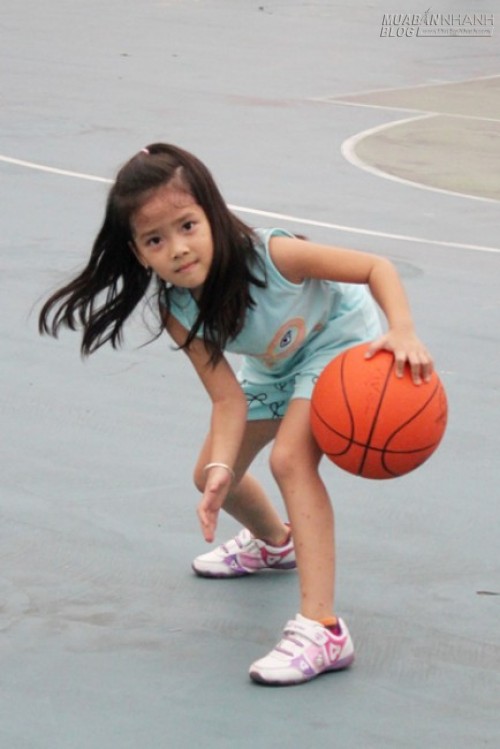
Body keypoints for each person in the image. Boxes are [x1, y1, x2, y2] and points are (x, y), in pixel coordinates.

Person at [38, 143, 433, 686]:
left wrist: (403, 329)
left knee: (290, 460)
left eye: (187, 226)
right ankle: (275, 543)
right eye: (156, 240)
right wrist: (222, 469)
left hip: (338, 343)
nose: (178, 249)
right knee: (208, 474)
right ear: (138, 252)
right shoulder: (178, 308)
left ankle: (323, 629)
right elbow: (227, 400)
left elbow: (374, 267)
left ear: (213, 214)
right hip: (276, 366)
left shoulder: (274, 255)